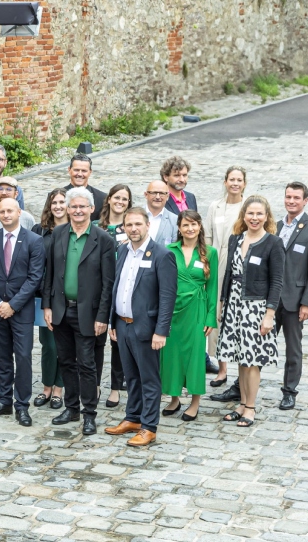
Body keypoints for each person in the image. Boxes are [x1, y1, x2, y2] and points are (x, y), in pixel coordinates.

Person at [41, 187, 116, 436]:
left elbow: (108, 283)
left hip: (88, 313)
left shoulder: (103, 239)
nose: (78, 210)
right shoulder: (60, 233)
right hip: (61, 310)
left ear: (92, 209)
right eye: (74, 206)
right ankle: (71, 408)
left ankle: (89, 414)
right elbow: (49, 273)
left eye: (83, 206)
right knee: (66, 362)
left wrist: (103, 316)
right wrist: (47, 306)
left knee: (86, 364)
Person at [103, 207, 176, 447]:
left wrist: (161, 331)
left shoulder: (161, 255)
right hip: (123, 326)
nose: (133, 229)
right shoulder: (122, 250)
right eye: (129, 225)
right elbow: (117, 288)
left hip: (146, 328)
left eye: (138, 224)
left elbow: (167, 297)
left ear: (147, 226)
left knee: (149, 379)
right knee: (131, 376)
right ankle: (133, 418)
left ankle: (149, 427)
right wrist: (113, 320)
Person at [215, 196, 284, 428]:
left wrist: (269, 314)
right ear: (244, 215)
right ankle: (242, 404)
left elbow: (277, 281)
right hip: (234, 305)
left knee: (252, 360)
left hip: (256, 308)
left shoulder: (273, 243)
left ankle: (251, 408)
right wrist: (223, 303)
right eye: (250, 214)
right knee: (240, 359)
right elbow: (228, 275)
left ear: (267, 216)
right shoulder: (236, 239)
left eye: (259, 214)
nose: (254, 218)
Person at [0, 198, 44, 426]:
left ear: (19, 212)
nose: (6, 215)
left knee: (23, 357)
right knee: (3, 358)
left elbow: (35, 278)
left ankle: (22, 405)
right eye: (2, 211)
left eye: (10, 211)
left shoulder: (34, 240)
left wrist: (12, 304)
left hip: (21, 310)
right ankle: (4, 401)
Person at [161, 210, 217, 421]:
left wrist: (211, 317)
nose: (190, 229)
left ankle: (195, 402)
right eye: (186, 225)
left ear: (200, 226)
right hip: (172, 309)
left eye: (194, 224)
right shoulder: (169, 250)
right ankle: (174, 398)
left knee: (194, 357)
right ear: (179, 228)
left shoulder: (209, 252)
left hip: (196, 310)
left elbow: (212, 287)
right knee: (172, 355)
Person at [207, 167, 247, 394]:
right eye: (231, 179)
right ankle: (221, 367)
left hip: (239, 261)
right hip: (217, 260)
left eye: (239, 180)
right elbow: (209, 236)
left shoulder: (247, 206)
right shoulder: (215, 206)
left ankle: (240, 365)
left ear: (244, 183)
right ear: (225, 182)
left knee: (235, 313)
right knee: (216, 313)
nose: (234, 183)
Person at [276, 182, 308, 411]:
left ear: (305, 201)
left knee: (293, 348)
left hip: (295, 299)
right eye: (288, 196)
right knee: (258, 343)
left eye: (296, 198)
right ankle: (243, 385)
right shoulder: (277, 225)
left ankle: (289, 391)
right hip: (272, 300)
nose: (291, 201)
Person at [95, 184, 133, 408]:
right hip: (98, 288)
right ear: (108, 199)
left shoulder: (130, 228)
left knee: (118, 341)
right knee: (96, 340)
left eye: (125, 199)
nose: (120, 201)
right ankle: (96, 384)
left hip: (122, 289)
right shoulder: (96, 226)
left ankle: (116, 388)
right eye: (117, 197)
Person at [32, 189, 68, 410]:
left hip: (66, 297)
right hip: (43, 296)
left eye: (62, 202)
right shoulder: (39, 231)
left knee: (63, 345)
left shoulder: (74, 230)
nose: (58, 206)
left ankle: (59, 389)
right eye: (54, 202)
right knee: (48, 345)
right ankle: (46, 386)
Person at [65, 154, 106, 221]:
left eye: (84, 171)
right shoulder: (56, 196)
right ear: (69, 170)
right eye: (76, 170)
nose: (80, 174)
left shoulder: (101, 198)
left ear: (90, 172)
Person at [145, 180, 178, 247]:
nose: (157, 197)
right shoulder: (134, 216)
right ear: (146, 195)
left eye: (162, 193)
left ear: (168, 196)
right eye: (154, 193)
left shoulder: (175, 220)